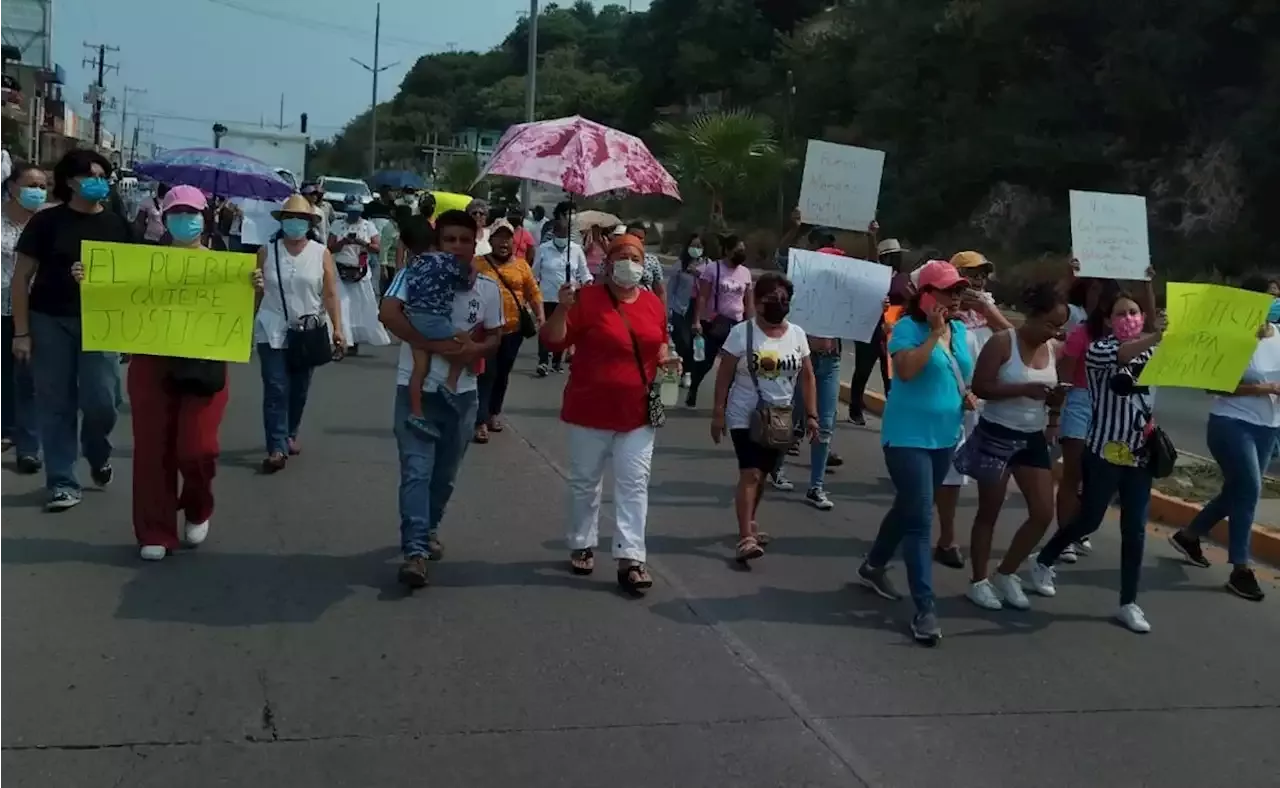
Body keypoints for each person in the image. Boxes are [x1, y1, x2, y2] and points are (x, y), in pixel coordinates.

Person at [113, 186, 264, 560]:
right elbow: (114, 299)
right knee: (152, 449)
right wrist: (89, 278)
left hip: (204, 363)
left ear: (205, 218)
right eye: (176, 213)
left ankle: (198, 505)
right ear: (164, 219)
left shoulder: (224, 265)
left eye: (192, 212)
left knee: (198, 448)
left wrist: (254, 291)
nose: (185, 219)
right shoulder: (142, 263)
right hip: (151, 361)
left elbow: (242, 315)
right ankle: (155, 530)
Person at [539, 233, 674, 593]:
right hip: (590, 408)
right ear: (608, 262)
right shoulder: (586, 300)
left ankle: (631, 557)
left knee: (634, 485)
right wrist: (563, 308)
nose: (629, 262)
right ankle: (582, 542)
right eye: (622, 256)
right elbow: (553, 341)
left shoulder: (652, 304)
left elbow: (659, 342)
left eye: (636, 256)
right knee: (586, 482)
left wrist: (666, 359)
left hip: (638, 412)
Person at [380, 211, 503, 586]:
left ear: (475, 242)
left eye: (465, 240)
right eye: (450, 240)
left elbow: (495, 338)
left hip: (462, 396)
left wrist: (472, 351)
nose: (458, 247)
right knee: (416, 472)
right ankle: (415, 551)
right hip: (415, 390)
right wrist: (437, 346)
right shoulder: (413, 273)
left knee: (444, 476)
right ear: (438, 242)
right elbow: (388, 315)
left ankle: (428, 528)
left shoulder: (486, 288)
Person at [1032, 289, 1164, 633]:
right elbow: (1122, 355)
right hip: (1104, 450)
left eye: (1134, 312)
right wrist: (1161, 334)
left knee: (1134, 530)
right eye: (1121, 314)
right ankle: (1045, 559)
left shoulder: (1154, 349)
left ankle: (1128, 603)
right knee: (1089, 519)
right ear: (1107, 321)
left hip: (1141, 454)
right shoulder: (1100, 351)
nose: (1129, 319)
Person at [857, 260, 975, 647]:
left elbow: (962, 374)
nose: (955, 297)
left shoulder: (959, 330)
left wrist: (965, 393)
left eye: (959, 290)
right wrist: (933, 336)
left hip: (944, 437)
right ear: (925, 295)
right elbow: (905, 372)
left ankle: (874, 564)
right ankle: (925, 608)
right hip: (907, 438)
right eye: (947, 290)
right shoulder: (906, 328)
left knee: (908, 507)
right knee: (921, 519)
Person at [11, 149, 130, 511]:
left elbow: (140, 278)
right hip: (50, 321)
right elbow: (21, 279)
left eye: (102, 174)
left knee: (102, 402)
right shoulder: (46, 223)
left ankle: (97, 450)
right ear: (70, 181)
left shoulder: (119, 226)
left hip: (103, 324)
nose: (98, 181)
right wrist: (22, 332)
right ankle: (62, 481)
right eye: (90, 174)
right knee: (56, 403)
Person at [1167, 275, 1278, 602]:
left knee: (1238, 491)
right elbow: (1214, 386)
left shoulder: (1279, 334)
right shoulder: (1232, 335)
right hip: (1231, 423)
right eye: (1271, 296)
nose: (1276, 301)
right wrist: (1265, 389)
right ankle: (1240, 569)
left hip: (1268, 427)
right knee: (1250, 489)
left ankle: (1189, 536)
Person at [963, 282, 1068, 610]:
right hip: (996, 433)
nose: (1054, 332)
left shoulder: (1052, 349)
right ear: (1033, 317)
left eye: (1060, 326)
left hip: (1032, 437)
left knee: (1042, 513)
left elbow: (1053, 390)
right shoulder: (1001, 343)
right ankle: (978, 581)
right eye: (1050, 323)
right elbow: (980, 386)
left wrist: (1053, 413)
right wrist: (1022, 389)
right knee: (989, 511)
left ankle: (1007, 572)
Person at [712, 272, 818, 560]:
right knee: (751, 472)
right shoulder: (742, 334)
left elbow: (807, 376)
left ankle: (750, 521)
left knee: (762, 476)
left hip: (780, 418)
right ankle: (745, 536)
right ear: (757, 303)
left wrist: (811, 415)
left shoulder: (797, 334)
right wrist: (718, 413)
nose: (779, 304)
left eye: (784, 299)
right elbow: (724, 375)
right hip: (744, 415)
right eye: (772, 299)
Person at [931, 251, 1013, 569]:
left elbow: (1013, 341)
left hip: (989, 402)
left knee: (993, 472)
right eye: (971, 274)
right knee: (951, 473)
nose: (978, 281)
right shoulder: (944, 314)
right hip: (957, 401)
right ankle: (947, 538)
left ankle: (983, 538)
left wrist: (988, 310)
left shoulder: (987, 308)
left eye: (982, 274)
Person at [254, 194, 345, 473]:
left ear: (309, 223)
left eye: (301, 219)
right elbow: (256, 292)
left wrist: (338, 328)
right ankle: (277, 446)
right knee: (275, 387)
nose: (295, 224)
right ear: (282, 222)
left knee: (299, 388)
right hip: (271, 328)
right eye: (290, 218)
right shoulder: (267, 251)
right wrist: (253, 291)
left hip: (307, 330)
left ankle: (289, 432)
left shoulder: (321, 254)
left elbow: (330, 293)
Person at [399, 212, 479, 439]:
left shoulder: (412, 264)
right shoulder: (446, 260)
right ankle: (451, 384)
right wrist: (473, 271)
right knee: (464, 343)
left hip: (413, 319)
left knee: (419, 369)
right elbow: (464, 284)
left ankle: (416, 412)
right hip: (435, 319)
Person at [473, 219, 543, 443]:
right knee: (486, 374)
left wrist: (540, 314)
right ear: (491, 240)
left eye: (507, 238)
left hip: (513, 330)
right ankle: (480, 421)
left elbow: (533, 292)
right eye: (499, 237)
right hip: (485, 331)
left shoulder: (522, 265)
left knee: (502, 374)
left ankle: (494, 413)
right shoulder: (478, 263)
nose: (503, 242)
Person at [0, 161, 46, 473]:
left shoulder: (47, 223)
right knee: (4, 374)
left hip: (33, 309)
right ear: (12, 186)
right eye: (31, 185)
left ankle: (29, 445)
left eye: (43, 187)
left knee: (28, 378)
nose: (37, 192)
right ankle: (7, 428)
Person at [687, 234, 754, 407]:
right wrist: (697, 321)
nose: (741, 254)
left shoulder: (745, 273)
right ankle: (694, 387)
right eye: (737, 250)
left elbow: (748, 301)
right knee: (706, 362)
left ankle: (724, 401)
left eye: (743, 251)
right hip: (714, 322)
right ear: (727, 250)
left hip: (736, 325)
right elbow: (703, 296)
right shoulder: (713, 269)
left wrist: (752, 325)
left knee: (733, 365)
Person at [847, 233, 900, 425]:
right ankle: (855, 409)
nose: (896, 259)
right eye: (892, 255)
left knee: (889, 375)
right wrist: (872, 236)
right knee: (862, 371)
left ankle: (893, 414)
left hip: (890, 332)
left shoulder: (902, 279)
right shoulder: (872, 273)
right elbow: (871, 258)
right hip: (868, 330)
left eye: (898, 256)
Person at [532, 212, 592, 377]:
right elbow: (535, 273)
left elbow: (584, 272)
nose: (561, 237)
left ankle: (557, 361)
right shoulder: (544, 249)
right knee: (545, 329)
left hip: (567, 298)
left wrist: (587, 283)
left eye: (565, 234)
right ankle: (543, 361)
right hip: (547, 296)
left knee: (563, 330)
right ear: (554, 233)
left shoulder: (576, 250)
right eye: (559, 233)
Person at [328, 196, 390, 354]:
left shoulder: (368, 226)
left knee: (361, 308)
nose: (353, 216)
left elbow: (377, 248)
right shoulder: (337, 225)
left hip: (360, 272)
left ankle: (355, 339)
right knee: (342, 306)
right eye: (351, 212)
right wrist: (343, 243)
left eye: (356, 212)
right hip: (340, 270)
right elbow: (330, 247)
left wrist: (363, 243)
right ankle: (343, 340)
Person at [666, 234, 703, 387]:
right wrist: (669, 309)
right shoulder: (680, 265)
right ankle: (684, 370)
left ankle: (689, 372)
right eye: (693, 245)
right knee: (682, 341)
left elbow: (711, 287)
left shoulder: (707, 265)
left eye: (699, 246)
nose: (696, 249)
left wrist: (699, 275)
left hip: (699, 308)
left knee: (696, 343)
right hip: (680, 307)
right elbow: (670, 289)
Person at [626, 222, 667, 311]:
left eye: (640, 237)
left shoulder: (652, 260)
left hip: (646, 309)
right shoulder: (614, 258)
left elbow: (660, 292)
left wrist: (663, 315)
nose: (636, 239)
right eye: (633, 235)